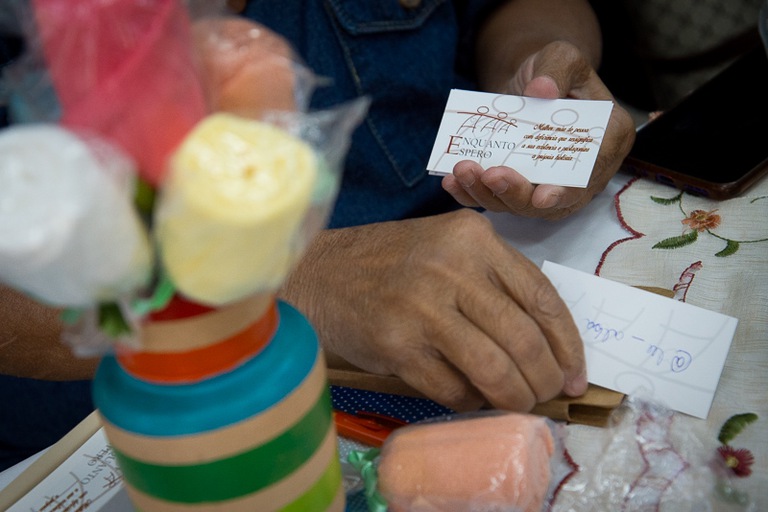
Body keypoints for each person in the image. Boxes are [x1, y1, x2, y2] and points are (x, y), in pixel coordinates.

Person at [0, 0, 634, 470]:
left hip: (470, 268)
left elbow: (513, 6)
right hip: (127, 423)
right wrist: (293, 277)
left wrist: (536, 83)